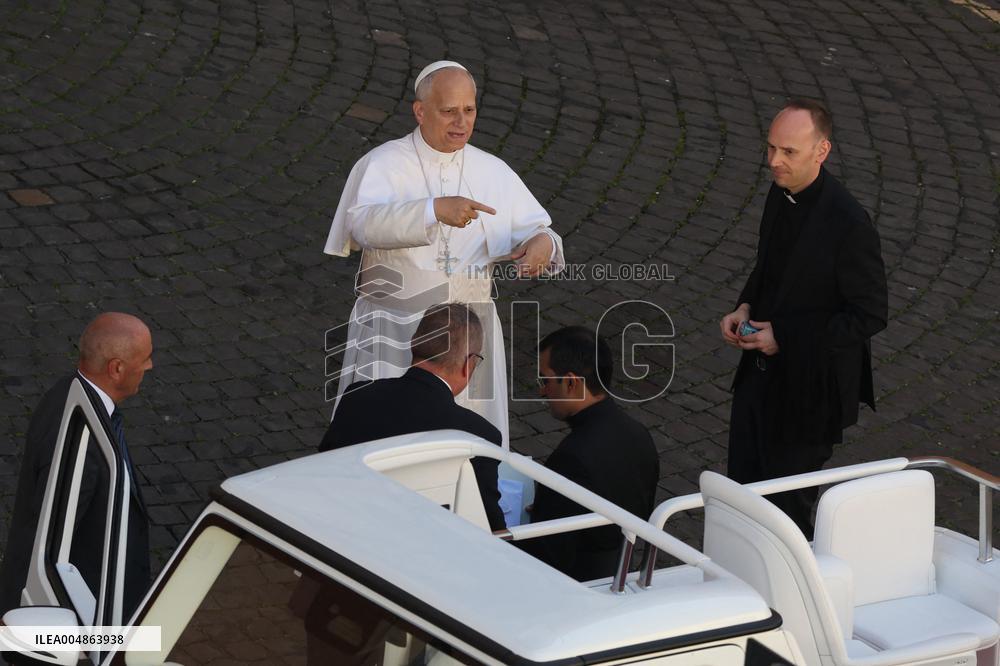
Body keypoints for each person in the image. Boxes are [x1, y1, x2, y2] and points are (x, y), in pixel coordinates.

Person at [323, 60, 564, 448]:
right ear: (420, 111)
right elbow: (362, 225)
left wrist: (543, 245)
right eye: (448, 110)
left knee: (469, 446)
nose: (461, 122)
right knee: (384, 440)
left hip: (469, 337)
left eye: (469, 110)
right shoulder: (384, 163)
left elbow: (542, 231)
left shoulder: (492, 170)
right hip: (397, 331)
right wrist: (432, 209)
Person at [719, 98, 888, 537]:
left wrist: (785, 337)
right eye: (771, 148)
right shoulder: (781, 193)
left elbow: (869, 314)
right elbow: (767, 268)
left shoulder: (850, 224)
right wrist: (744, 307)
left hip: (809, 395)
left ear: (822, 151)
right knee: (741, 495)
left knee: (785, 516)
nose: (774, 161)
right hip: (758, 380)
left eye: (788, 152)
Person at [0, 312, 153, 618]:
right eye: (145, 358)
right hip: (82, 617)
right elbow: (46, 545)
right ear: (117, 368)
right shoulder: (83, 444)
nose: (150, 366)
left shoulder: (66, 394)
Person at [319, 303, 505, 531]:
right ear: (469, 364)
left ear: (412, 344)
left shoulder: (357, 397)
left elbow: (323, 470)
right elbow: (489, 526)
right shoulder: (477, 436)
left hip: (341, 528)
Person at [522, 326, 659, 581]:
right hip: (618, 568)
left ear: (572, 382)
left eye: (546, 380)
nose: (542, 391)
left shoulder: (571, 458)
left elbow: (546, 553)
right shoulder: (639, 435)